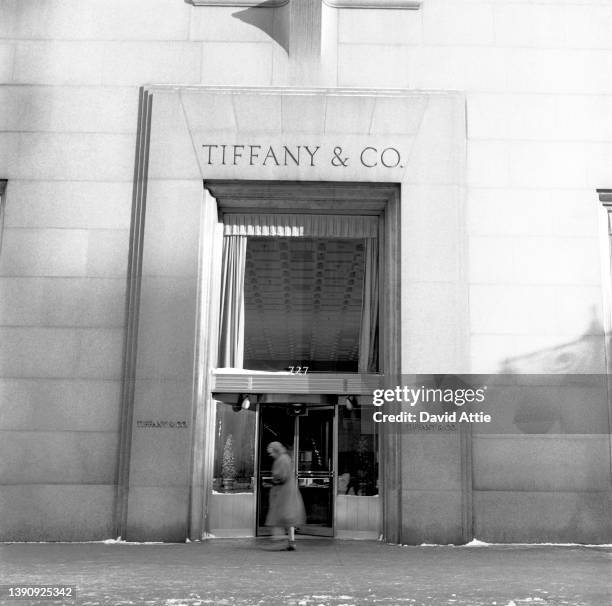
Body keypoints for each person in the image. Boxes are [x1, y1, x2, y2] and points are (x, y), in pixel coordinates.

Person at [265, 441, 306, 551]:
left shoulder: (281, 460)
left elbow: (281, 477)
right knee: (289, 518)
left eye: (271, 452)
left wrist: (274, 480)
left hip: (283, 493)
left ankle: (280, 541)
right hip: (289, 491)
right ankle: (291, 542)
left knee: (280, 516)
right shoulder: (286, 458)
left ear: (276, 450)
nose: (271, 455)